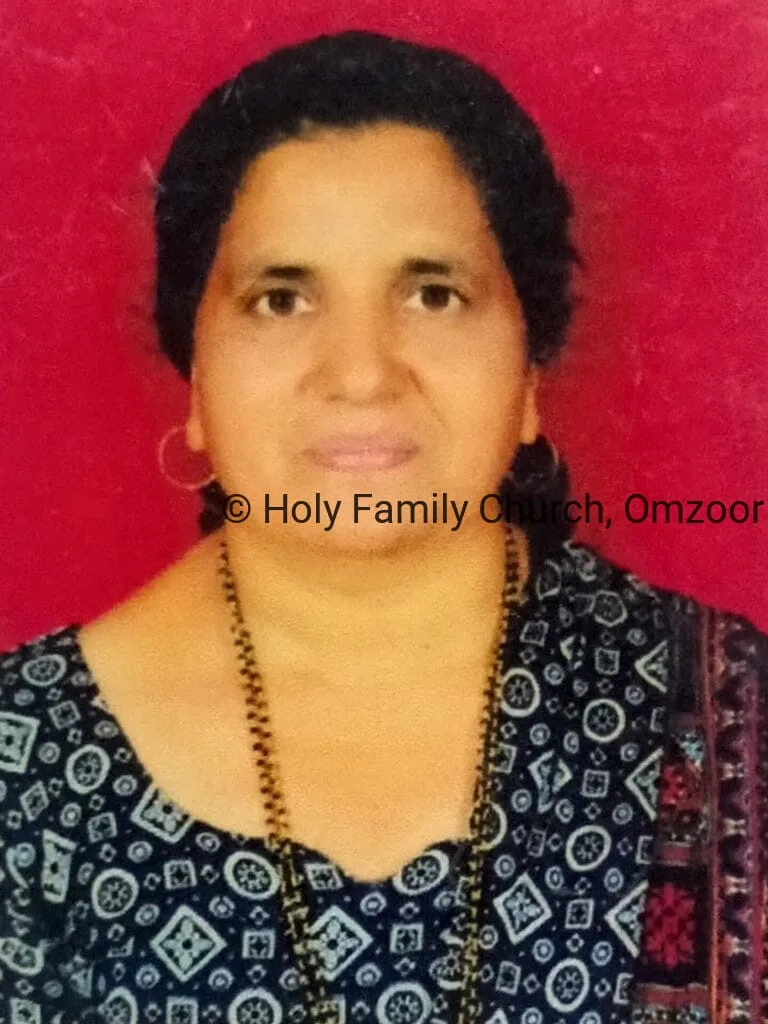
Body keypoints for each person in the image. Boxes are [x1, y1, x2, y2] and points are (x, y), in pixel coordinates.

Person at [0, 29, 766, 1024]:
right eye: (281, 299)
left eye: (433, 294)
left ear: (531, 374)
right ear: (193, 382)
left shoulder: (736, 711)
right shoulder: (20, 757)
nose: (361, 373)